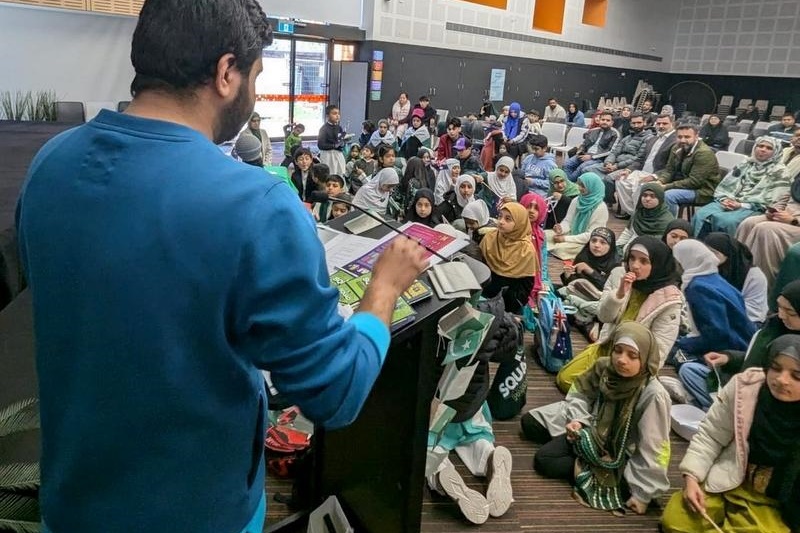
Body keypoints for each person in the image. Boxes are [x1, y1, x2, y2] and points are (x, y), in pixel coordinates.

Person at [14, 3, 431, 533]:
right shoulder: (256, 205)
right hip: (201, 514)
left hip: (71, 506)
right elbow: (337, 393)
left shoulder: (50, 163)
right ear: (226, 72)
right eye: (256, 76)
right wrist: (384, 289)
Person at [524, 322, 671, 517]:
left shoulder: (653, 394)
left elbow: (654, 447)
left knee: (545, 460)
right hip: (592, 430)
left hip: (622, 453)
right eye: (617, 351)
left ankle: (597, 471)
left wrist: (643, 494)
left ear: (645, 359)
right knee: (530, 423)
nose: (621, 360)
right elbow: (580, 394)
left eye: (632, 356)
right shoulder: (605, 367)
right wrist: (579, 421)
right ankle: (586, 461)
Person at [661, 334, 800, 533]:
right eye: (775, 368)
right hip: (730, 478)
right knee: (676, 520)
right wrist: (692, 477)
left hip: (774, 501)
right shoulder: (746, 389)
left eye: (797, 376)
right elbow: (711, 435)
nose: (781, 380)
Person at [555, 236, 682, 392]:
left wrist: (635, 370)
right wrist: (619, 294)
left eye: (644, 261)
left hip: (633, 360)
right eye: (632, 258)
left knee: (592, 390)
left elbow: (660, 349)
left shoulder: (669, 300)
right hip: (608, 345)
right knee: (565, 379)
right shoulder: (619, 275)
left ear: (657, 264)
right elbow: (603, 316)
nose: (635, 266)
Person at [676, 280, 800, 411]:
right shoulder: (773, 327)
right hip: (742, 386)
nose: (782, 315)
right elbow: (755, 360)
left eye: (790, 312)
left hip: (770, 399)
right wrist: (728, 358)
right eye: (780, 307)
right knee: (690, 370)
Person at [671, 239, 756, 366]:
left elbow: (717, 334)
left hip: (730, 349)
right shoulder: (713, 279)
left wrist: (682, 343)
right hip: (743, 342)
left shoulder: (698, 288)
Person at [693, 136, 790, 238]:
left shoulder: (780, 172)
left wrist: (741, 205)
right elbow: (727, 186)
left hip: (755, 207)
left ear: (776, 152)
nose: (763, 149)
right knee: (701, 214)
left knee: (727, 221)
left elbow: (775, 201)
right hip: (731, 200)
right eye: (760, 146)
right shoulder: (745, 164)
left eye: (769, 148)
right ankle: (699, 245)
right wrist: (725, 199)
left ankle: (726, 250)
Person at [735, 151, 800, 288]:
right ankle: (737, 274)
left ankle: (761, 287)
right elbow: (788, 195)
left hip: (796, 223)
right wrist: (774, 210)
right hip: (786, 215)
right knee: (749, 223)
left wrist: (794, 220)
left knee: (765, 229)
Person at [479, 202, 537, 313]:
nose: (501, 222)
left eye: (508, 219)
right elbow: (480, 268)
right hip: (484, 298)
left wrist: (512, 306)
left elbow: (525, 286)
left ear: (519, 222)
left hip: (509, 306)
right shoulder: (489, 238)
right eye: (500, 216)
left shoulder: (526, 249)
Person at [558, 227, 619, 329]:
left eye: (603, 242)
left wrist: (590, 271)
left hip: (599, 299)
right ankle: (586, 319)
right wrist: (567, 275)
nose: (596, 245)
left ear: (610, 246)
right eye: (593, 240)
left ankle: (585, 317)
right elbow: (573, 284)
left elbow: (610, 290)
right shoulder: (584, 256)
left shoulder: (615, 264)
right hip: (580, 294)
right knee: (563, 295)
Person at [654, 123, 721, 216]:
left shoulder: (704, 153)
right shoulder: (676, 147)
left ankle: (668, 225)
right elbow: (669, 170)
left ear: (696, 136)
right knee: (649, 187)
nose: (682, 140)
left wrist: (666, 186)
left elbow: (694, 182)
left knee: (669, 195)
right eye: (679, 137)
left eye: (687, 137)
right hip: (682, 183)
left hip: (702, 191)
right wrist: (660, 181)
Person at [703, 233, 768, 326]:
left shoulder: (753, 275)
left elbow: (754, 311)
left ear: (728, 254)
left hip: (745, 322)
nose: (708, 256)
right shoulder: (703, 269)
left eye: (714, 252)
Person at [545, 173, 609, 260]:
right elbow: (568, 221)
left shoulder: (600, 207)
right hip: (572, 234)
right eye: (579, 185)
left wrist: (565, 239)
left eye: (583, 186)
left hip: (587, 242)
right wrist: (561, 228)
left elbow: (592, 235)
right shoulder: (577, 200)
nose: (579, 188)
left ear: (592, 187)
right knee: (544, 235)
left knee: (560, 249)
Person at [615, 183, 675, 252]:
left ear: (660, 198)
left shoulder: (667, 221)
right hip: (629, 251)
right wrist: (616, 248)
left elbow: (662, 246)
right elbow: (628, 233)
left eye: (652, 196)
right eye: (645, 195)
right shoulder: (639, 213)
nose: (647, 199)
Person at [562, 112, 620, 181]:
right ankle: (569, 183)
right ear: (599, 120)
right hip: (586, 154)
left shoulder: (615, 133)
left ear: (612, 122)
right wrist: (580, 152)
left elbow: (611, 151)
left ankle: (568, 182)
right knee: (567, 164)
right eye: (603, 119)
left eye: (607, 120)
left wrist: (591, 157)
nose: (604, 122)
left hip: (599, 158)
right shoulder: (593, 131)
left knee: (582, 168)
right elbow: (584, 144)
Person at [520, 192, 549, 298]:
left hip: (536, 275)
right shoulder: (514, 230)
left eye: (536, 208)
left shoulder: (541, 234)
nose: (531, 211)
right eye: (528, 206)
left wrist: (543, 280)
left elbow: (543, 260)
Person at [317, 104, 347, 176]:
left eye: (338, 113)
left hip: (338, 153)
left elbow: (340, 140)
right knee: (329, 174)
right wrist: (334, 145)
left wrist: (344, 141)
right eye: (334, 113)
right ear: (327, 116)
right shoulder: (323, 129)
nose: (337, 116)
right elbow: (320, 145)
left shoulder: (339, 127)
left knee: (340, 173)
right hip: (328, 155)